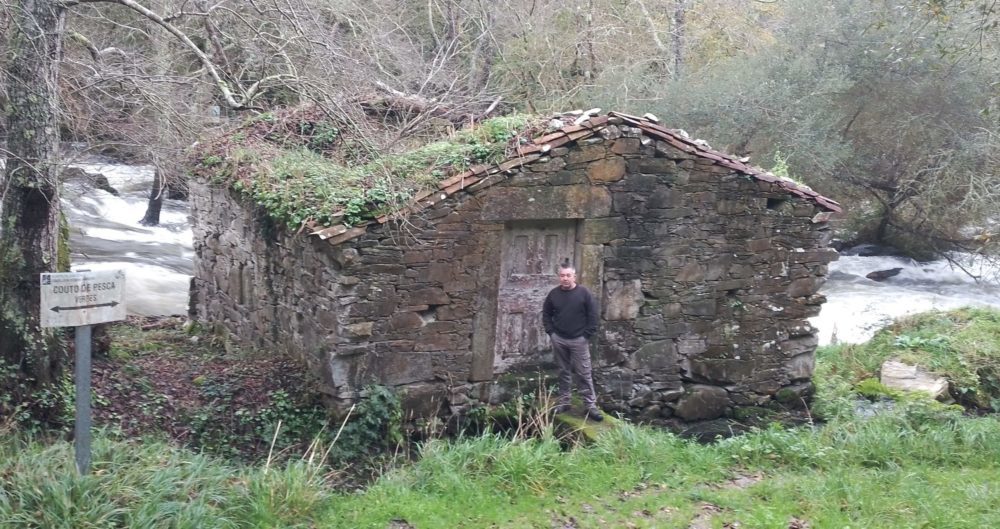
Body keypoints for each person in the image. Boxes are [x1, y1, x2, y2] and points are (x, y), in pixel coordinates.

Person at [542, 260, 603, 422]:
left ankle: (590, 406)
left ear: (574, 276)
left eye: (568, 275)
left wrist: (586, 336)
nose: (565, 278)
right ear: (559, 277)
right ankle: (565, 402)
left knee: (584, 373)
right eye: (562, 275)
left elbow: (593, 316)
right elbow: (546, 314)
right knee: (563, 371)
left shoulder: (584, 293)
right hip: (559, 339)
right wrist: (551, 333)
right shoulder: (553, 294)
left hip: (579, 340)